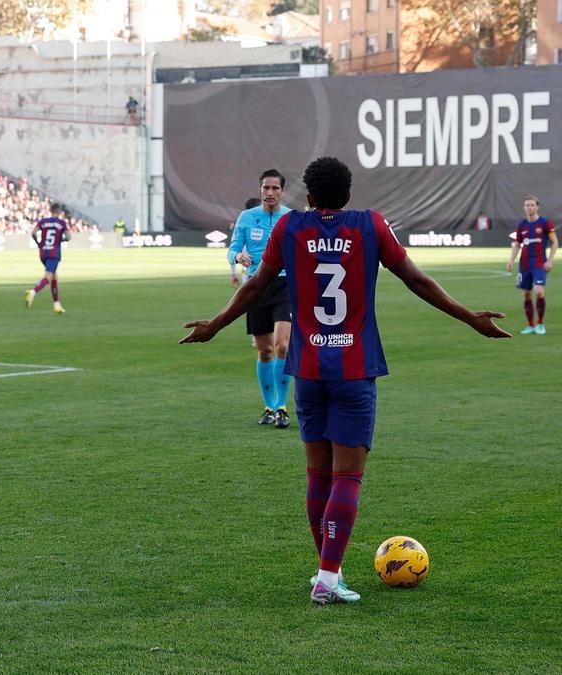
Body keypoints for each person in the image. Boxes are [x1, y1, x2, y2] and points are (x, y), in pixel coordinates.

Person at [181, 156, 509, 606]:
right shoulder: (371, 225)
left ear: (309, 197)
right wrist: (468, 316)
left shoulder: (289, 228)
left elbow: (256, 285)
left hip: (309, 369)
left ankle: (326, 571)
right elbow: (416, 279)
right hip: (354, 370)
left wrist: (216, 324)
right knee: (347, 477)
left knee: (318, 475)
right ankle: (328, 576)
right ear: (348, 194)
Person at [227, 172, 294, 428]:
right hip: (256, 286)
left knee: (283, 346)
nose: (270, 192)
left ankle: (282, 407)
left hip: (285, 284)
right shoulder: (247, 217)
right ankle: (268, 406)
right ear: (260, 189)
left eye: (275, 188)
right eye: (266, 187)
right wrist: (237, 258)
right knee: (264, 350)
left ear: (282, 191)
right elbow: (232, 249)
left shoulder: (290, 218)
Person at [506, 196, 557, 335]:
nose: (529, 207)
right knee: (526, 295)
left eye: (532, 205)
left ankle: (540, 324)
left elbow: (555, 242)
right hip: (524, 265)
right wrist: (511, 260)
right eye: (527, 205)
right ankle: (530, 325)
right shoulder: (522, 225)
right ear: (524, 207)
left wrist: (550, 260)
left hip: (539, 264)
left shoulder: (545, 223)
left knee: (539, 291)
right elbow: (517, 244)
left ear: (537, 206)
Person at [25, 203, 70, 314]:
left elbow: (34, 233)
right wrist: (60, 240)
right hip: (54, 253)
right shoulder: (61, 223)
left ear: (50, 210)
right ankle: (32, 292)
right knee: (48, 277)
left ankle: (57, 305)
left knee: (54, 277)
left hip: (43, 252)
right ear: (59, 212)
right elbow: (68, 237)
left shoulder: (43, 222)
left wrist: (39, 243)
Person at [230, 197, 262, 288]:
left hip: (251, 270)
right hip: (252, 270)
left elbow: (234, 250)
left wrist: (233, 274)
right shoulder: (243, 226)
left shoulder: (241, 225)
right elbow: (234, 251)